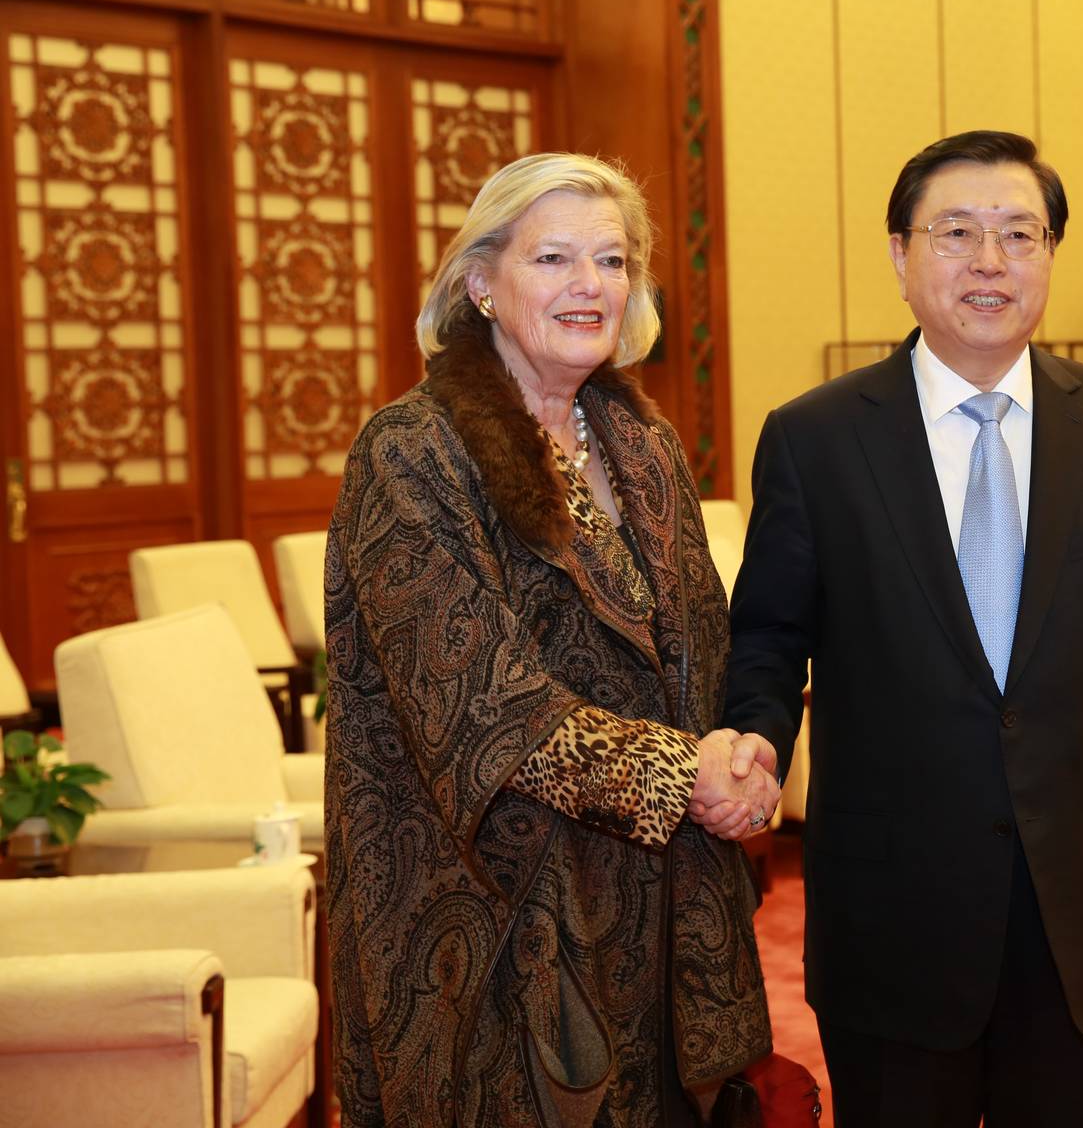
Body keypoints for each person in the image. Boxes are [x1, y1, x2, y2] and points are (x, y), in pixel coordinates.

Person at [711, 130, 1083, 1125]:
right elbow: (771, 634)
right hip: (893, 907)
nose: (991, 262)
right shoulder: (815, 438)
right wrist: (757, 741)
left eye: (1019, 234)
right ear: (901, 255)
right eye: (957, 232)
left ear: (1049, 256)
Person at [324, 152, 780, 1126]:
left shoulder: (642, 442)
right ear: (481, 283)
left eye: (612, 261)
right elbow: (480, 701)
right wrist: (682, 777)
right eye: (554, 257)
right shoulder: (413, 450)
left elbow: (702, 641)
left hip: (655, 905)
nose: (589, 284)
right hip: (489, 910)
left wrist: (745, 751)